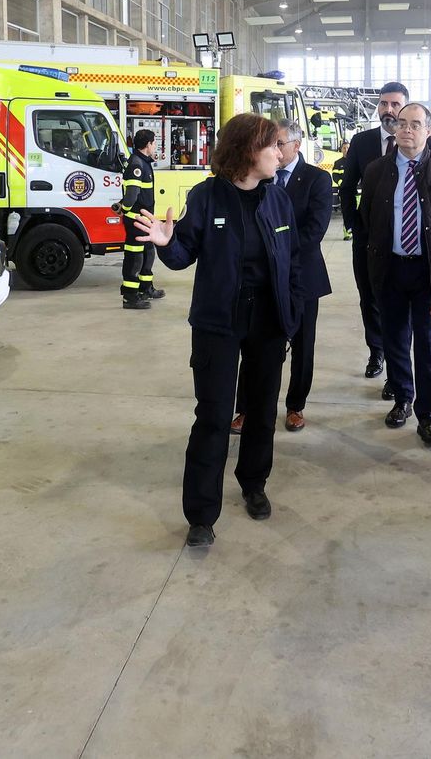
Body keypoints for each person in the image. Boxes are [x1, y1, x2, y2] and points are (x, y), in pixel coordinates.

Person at [134, 114, 302, 549]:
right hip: (218, 322)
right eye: (273, 146)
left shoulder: (278, 199)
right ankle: (202, 514)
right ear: (248, 150)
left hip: (267, 319)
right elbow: (183, 255)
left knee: (263, 409)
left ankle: (253, 482)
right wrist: (167, 241)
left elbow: (293, 260)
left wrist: (293, 315)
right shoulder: (207, 197)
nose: (280, 153)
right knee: (212, 416)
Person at [361, 103, 431, 447]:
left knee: (428, 344)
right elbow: (366, 219)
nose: (407, 130)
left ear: (428, 131)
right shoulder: (376, 171)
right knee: (395, 338)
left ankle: (427, 415)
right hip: (390, 267)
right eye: (402, 123)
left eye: (415, 124)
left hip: (429, 271)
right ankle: (402, 398)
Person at [231, 122, 334, 433]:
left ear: (296, 145)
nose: (274, 150)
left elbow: (314, 230)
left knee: (303, 346)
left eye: (279, 143)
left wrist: (274, 252)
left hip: (302, 276)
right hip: (262, 280)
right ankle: (246, 408)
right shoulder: (259, 176)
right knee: (255, 346)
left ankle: (295, 406)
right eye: (270, 144)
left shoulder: (317, 179)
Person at [340, 83, 409, 388]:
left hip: (407, 240)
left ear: (405, 107)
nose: (389, 110)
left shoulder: (423, 141)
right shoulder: (362, 141)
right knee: (370, 297)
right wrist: (355, 224)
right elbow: (346, 187)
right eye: (383, 104)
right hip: (368, 239)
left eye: (395, 104)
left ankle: (398, 362)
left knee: (400, 302)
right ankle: (376, 352)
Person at [116, 129, 164, 309]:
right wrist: (126, 209)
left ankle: (146, 288)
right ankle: (130, 296)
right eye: (154, 143)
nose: (155, 146)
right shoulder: (136, 164)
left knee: (148, 252)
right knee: (134, 257)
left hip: (144, 219)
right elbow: (132, 194)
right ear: (148, 145)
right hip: (136, 219)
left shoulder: (143, 162)